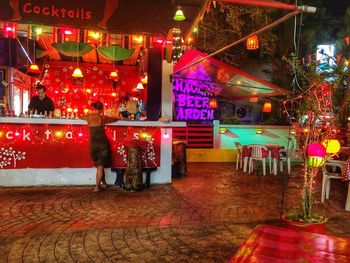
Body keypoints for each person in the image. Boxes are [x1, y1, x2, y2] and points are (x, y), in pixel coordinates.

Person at [81, 101, 118, 192]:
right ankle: (97, 187)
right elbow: (115, 119)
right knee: (100, 166)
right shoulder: (103, 118)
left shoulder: (88, 116)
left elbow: (79, 116)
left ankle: (104, 183)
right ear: (102, 109)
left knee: (99, 165)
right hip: (102, 144)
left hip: (93, 145)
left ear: (93, 108)